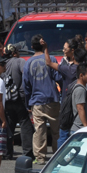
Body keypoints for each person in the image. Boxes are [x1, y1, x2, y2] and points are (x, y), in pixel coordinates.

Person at [21, 35, 61, 164]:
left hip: (36, 100)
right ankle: (58, 153)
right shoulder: (51, 58)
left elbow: (26, 85)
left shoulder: (28, 63)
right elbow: (58, 77)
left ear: (31, 47)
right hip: (52, 98)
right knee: (56, 129)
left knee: (39, 130)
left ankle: (40, 157)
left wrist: (28, 103)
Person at [3, 44, 33, 159]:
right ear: (15, 52)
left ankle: (7, 152)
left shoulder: (3, 64)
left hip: (6, 99)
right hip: (19, 98)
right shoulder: (20, 61)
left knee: (9, 125)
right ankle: (27, 152)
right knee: (25, 124)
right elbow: (26, 76)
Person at [70, 63, 87, 132]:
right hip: (80, 130)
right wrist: (86, 127)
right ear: (81, 75)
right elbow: (80, 108)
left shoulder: (83, 88)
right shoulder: (80, 89)